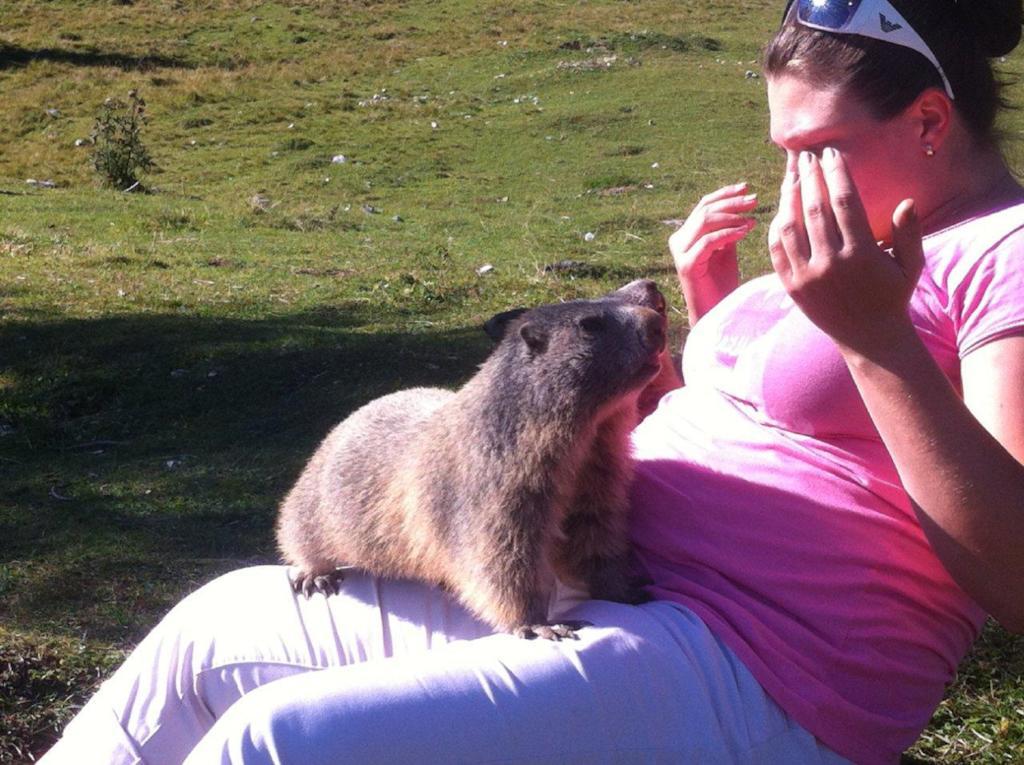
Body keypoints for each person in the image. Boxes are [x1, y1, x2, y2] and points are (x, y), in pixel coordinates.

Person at [40, 0, 1024, 763]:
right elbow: (772, 431)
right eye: (779, 153)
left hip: (766, 666)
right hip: (601, 588)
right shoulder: (859, 238)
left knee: (282, 743)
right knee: (209, 633)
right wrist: (711, 311)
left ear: (931, 119)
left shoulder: (1002, 254)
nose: (793, 183)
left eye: (815, 152)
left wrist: (877, 346)